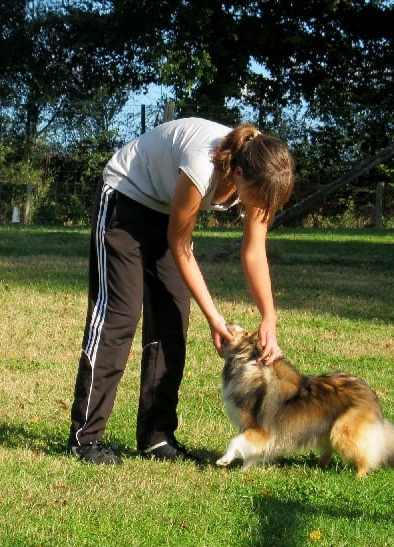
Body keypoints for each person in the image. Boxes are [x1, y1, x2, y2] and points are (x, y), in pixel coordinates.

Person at [67, 117, 295, 465]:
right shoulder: (202, 164)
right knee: (120, 315)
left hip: (165, 208)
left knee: (172, 319)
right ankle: (85, 437)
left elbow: (253, 250)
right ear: (236, 174)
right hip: (125, 199)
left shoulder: (261, 178)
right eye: (258, 199)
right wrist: (215, 318)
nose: (259, 206)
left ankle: (156, 436)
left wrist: (269, 316)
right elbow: (180, 243)